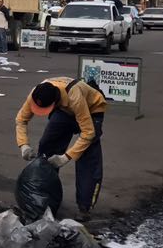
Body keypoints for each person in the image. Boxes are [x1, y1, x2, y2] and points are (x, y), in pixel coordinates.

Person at [16, 77, 107, 221]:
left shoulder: (74, 95)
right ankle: (42, 197)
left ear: (55, 101)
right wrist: (24, 145)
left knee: (87, 157)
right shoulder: (37, 92)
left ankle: (84, 207)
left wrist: (66, 157)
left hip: (91, 109)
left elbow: (88, 133)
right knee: (47, 146)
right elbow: (21, 120)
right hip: (64, 110)